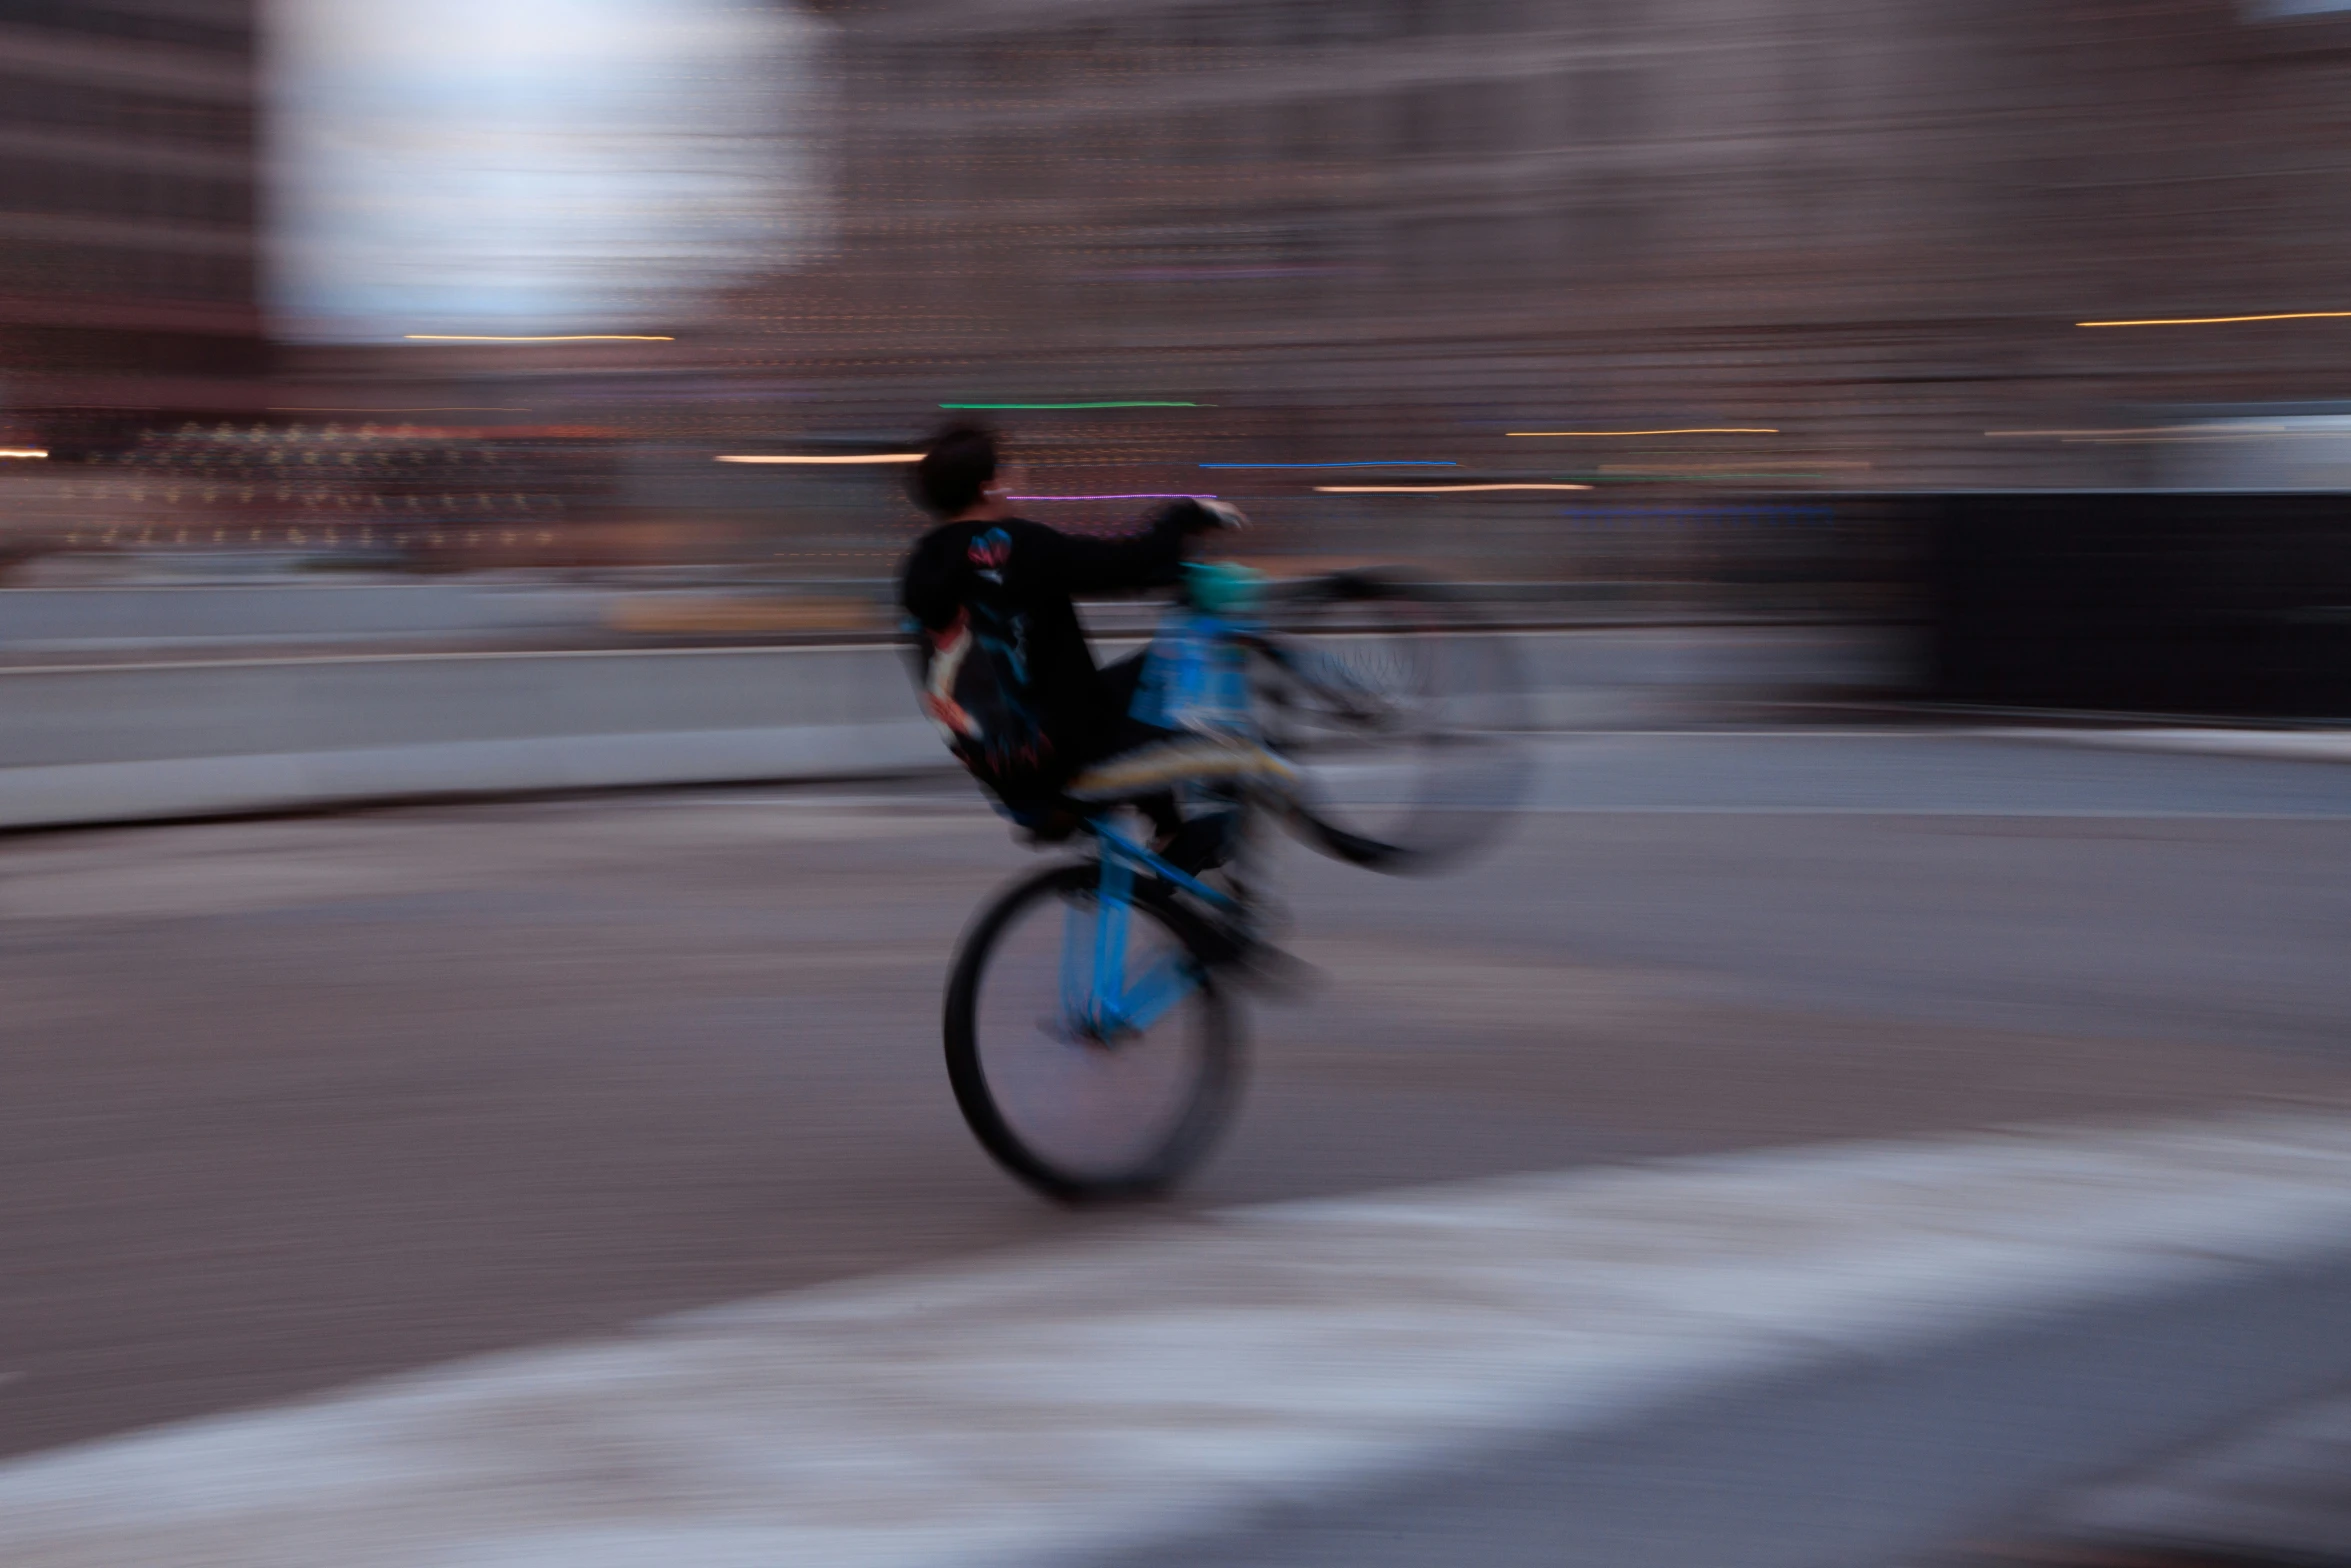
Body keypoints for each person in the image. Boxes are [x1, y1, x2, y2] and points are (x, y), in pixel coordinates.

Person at [897, 422, 1287, 861]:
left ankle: (1167, 828)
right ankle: (1189, 824)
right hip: (1067, 751)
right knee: (1175, 665)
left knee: (1120, 687)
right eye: (1007, 467)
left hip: (1009, 773)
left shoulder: (919, 568)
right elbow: (1125, 564)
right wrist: (1187, 514)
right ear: (988, 487)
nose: (1017, 473)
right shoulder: (1015, 546)